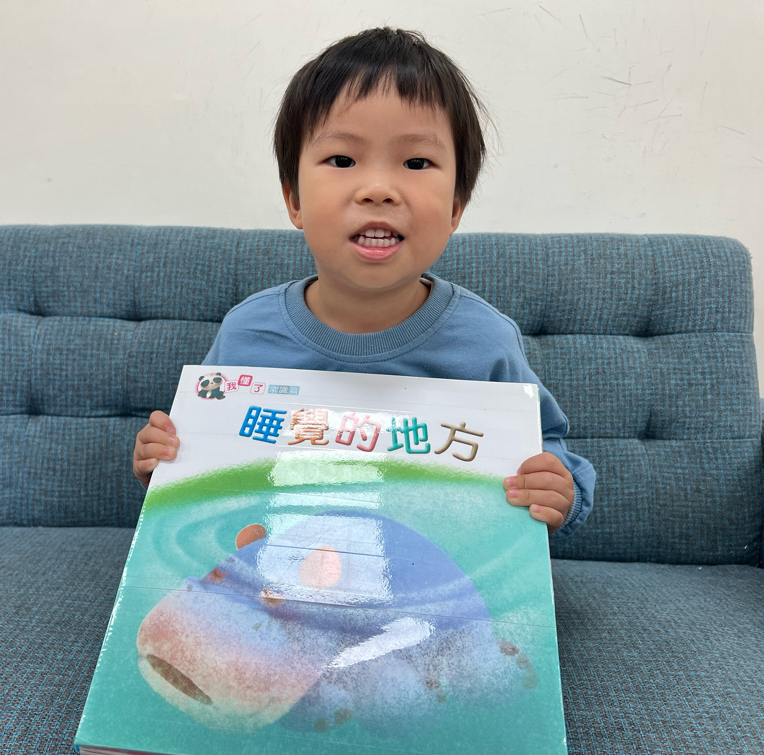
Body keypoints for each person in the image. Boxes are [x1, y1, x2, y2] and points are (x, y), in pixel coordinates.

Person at [133, 27, 595, 538]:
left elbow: (548, 452)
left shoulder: (485, 341)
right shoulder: (248, 331)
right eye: (342, 160)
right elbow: (207, 454)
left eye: (416, 162)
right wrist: (168, 464)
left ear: (456, 207)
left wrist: (559, 490)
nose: (377, 189)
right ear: (294, 200)